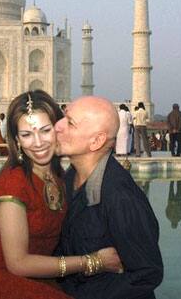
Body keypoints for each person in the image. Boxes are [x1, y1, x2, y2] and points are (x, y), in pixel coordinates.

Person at [0, 90, 121, 299]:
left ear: (58, 129)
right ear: (17, 141)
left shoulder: (59, 176)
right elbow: (18, 263)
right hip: (0, 283)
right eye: (27, 134)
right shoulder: (14, 184)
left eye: (45, 130)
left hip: (39, 278)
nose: (38, 142)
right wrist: (93, 261)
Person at [54, 96, 163, 299]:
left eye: (69, 123)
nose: (57, 127)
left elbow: (147, 273)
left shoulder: (119, 195)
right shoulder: (69, 179)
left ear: (96, 141)